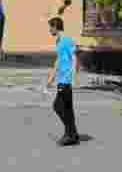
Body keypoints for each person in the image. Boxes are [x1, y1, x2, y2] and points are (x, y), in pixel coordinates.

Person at [46, 16, 80, 146]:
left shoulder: (67, 40)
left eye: (50, 27)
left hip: (66, 79)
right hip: (61, 79)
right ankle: (72, 134)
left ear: (55, 27)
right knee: (67, 108)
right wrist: (51, 77)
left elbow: (74, 57)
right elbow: (58, 61)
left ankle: (71, 133)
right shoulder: (58, 42)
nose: (49, 30)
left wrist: (75, 76)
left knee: (58, 106)